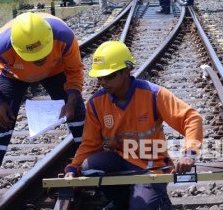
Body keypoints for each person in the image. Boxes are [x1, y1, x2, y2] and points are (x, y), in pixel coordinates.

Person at [0, 12, 86, 210]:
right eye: (33, 57)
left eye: (42, 55)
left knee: (79, 118)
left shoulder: (64, 36)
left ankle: (88, 170)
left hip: (56, 71)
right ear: (15, 47)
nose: (38, 61)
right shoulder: (1, 44)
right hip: (11, 74)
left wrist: (72, 101)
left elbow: (74, 71)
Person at [64, 41, 203, 210]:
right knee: (89, 167)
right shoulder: (96, 103)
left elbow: (191, 118)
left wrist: (189, 154)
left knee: (140, 207)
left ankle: (160, 202)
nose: (103, 83)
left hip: (153, 165)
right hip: (121, 159)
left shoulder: (153, 94)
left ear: (126, 71)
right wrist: (73, 167)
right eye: (100, 78)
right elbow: (89, 144)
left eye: (109, 77)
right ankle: (121, 200)